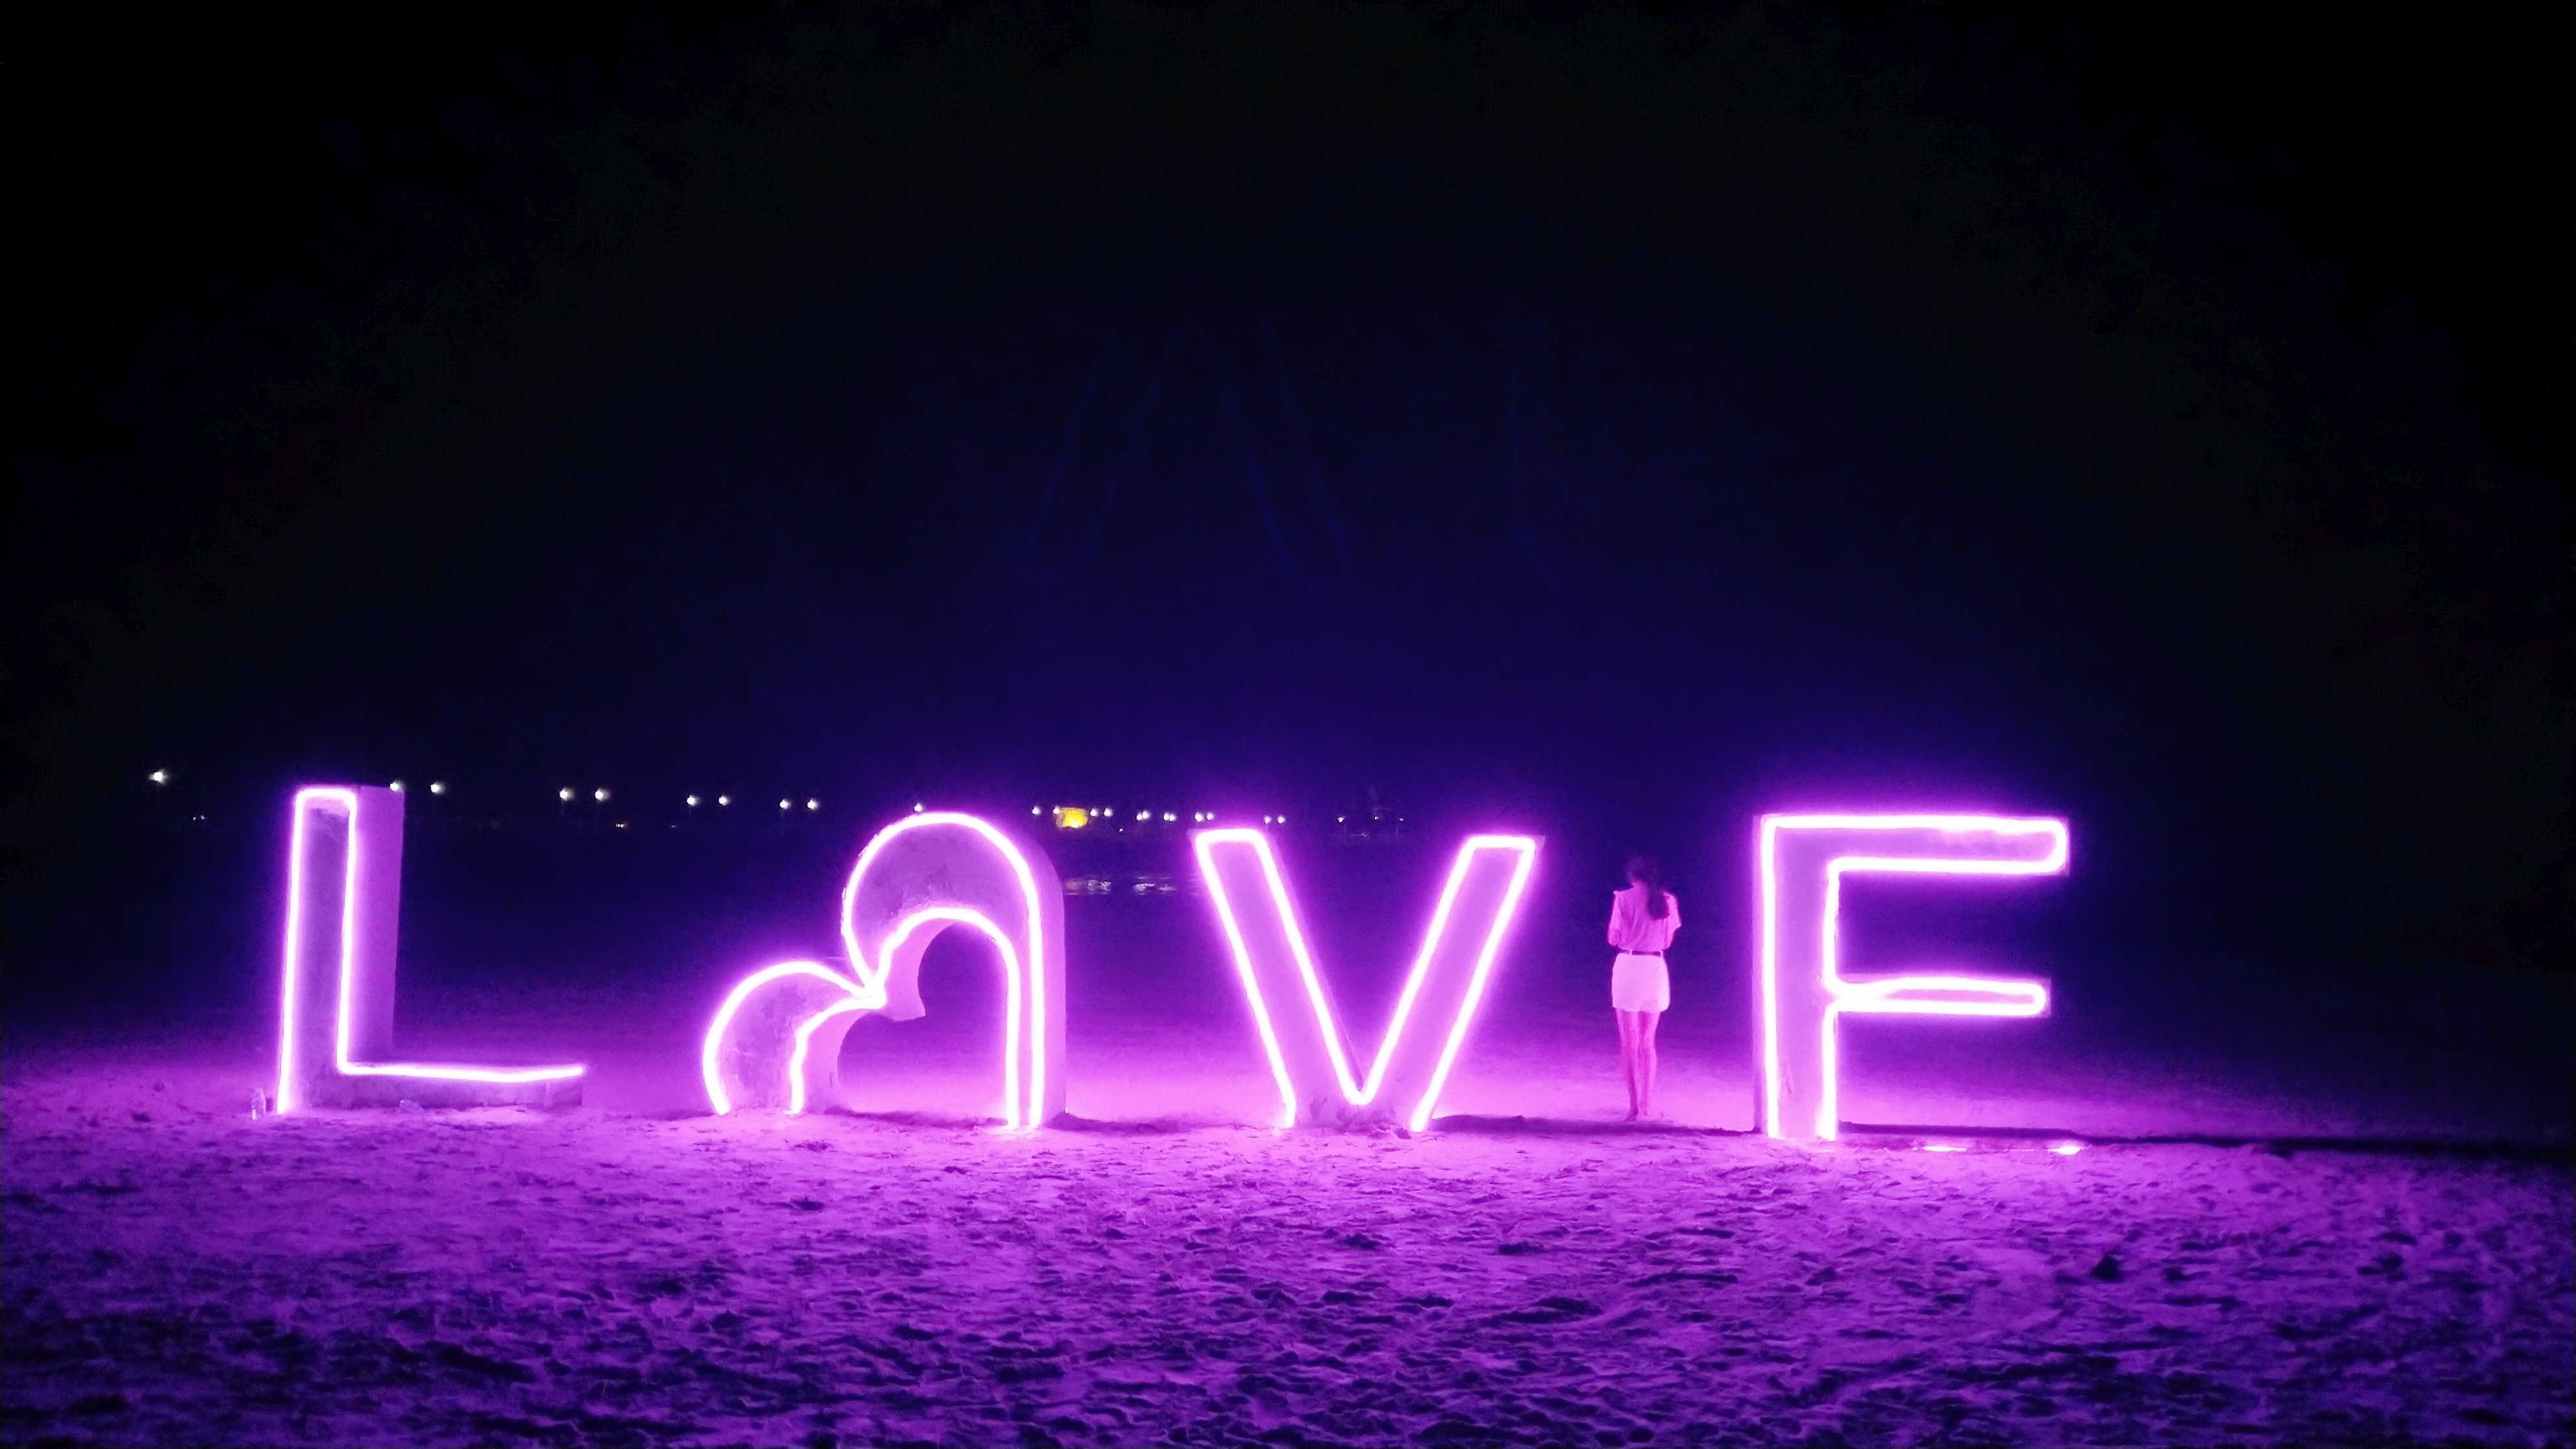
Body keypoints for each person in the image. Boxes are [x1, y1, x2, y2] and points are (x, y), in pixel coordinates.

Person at [1607, 854, 1679, 1120]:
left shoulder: (1623, 899)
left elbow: (1613, 938)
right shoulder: (1668, 900)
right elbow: (1668, 940)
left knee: (1629, 1042)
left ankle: (1634, 1106)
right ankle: (1647, 1105)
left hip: (1630, 965)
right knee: (1648, 1042)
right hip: (1655, 968)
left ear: (1632, 876)